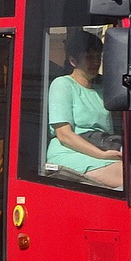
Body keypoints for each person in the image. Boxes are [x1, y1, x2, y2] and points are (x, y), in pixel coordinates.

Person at [47, 31, 123, 189]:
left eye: (98, 57)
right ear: (73, 61)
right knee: (130, 177)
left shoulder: (102, 89)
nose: (95, 62)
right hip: (71, 153)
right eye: (89, 57)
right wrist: (101, 155)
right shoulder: (62, 85)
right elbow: (64, 135)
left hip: (103, 148)